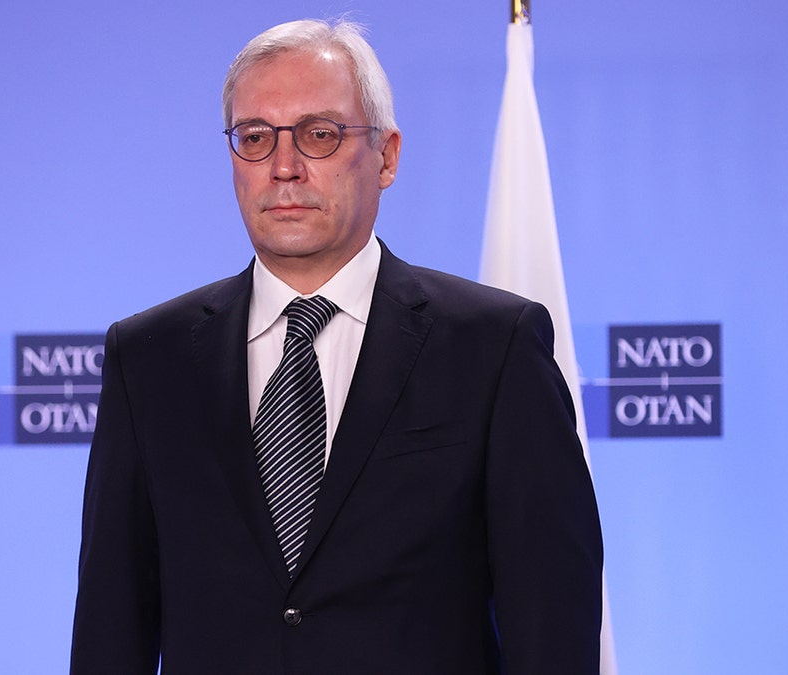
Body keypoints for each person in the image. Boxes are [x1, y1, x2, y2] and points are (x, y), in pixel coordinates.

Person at [70, 18, 602, 674]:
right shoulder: (147, 358)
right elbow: (109, 629)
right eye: (255, 138)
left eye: (319, 134)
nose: (284, 167)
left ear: (387, 156)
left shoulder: (495, 347)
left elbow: (552, 626)